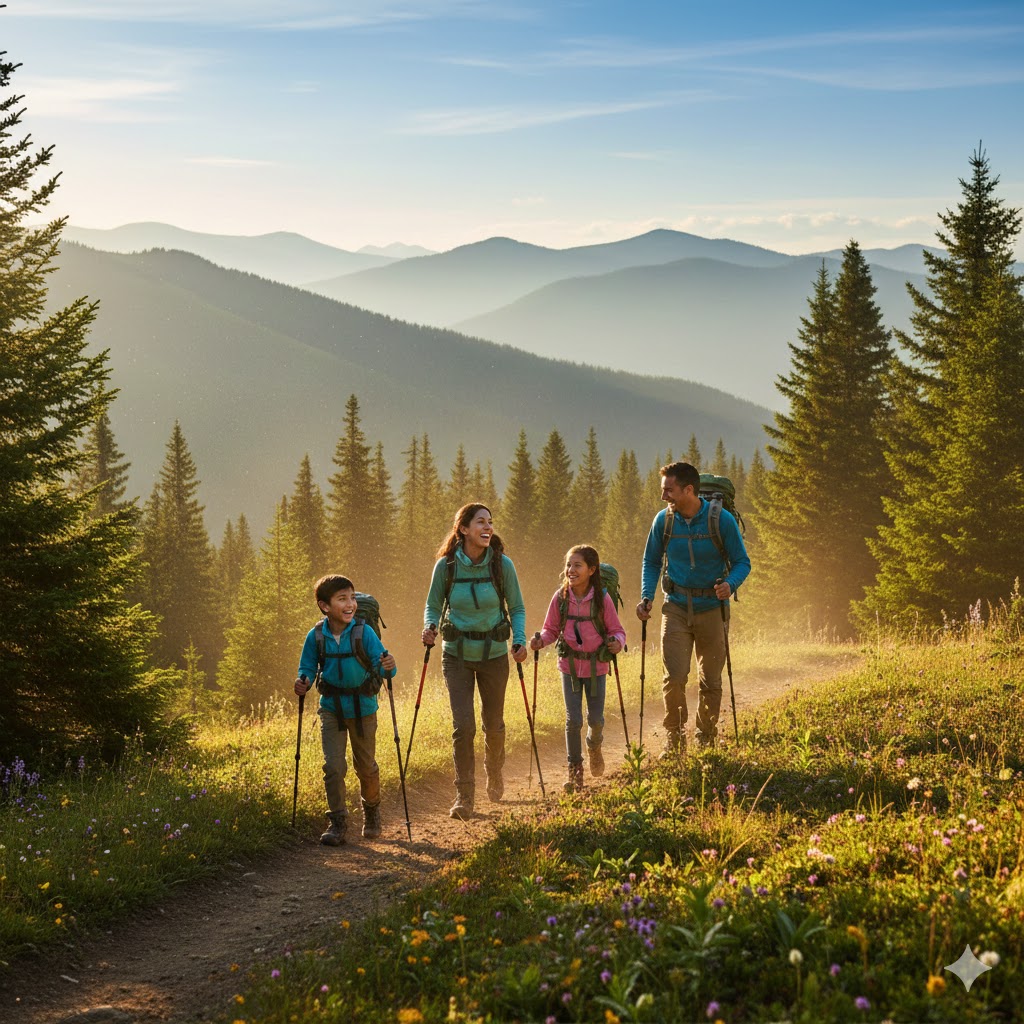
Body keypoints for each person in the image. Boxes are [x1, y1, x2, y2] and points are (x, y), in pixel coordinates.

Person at [422, 503, 528, 819]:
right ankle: (464, 795)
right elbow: (432, 606)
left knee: (493, 725)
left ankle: (493, 771)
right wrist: (429, 627)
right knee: (463, 726)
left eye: (490, 522)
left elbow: (517, 608)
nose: (488, 527)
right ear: (464, 528)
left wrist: (519, 640)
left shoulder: (501, 565)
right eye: (480, 522)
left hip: (495, 655)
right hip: (456, 656)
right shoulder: (446, 567)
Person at [637, 462, 750, 753]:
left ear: (689, 490)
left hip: (712, 607)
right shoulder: (663, 521)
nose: (664, 497)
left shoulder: (720, 520)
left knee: (710, 679)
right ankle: (674, 737)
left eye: (669, 491)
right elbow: (651, 561)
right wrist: (647, 596)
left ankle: (705, 735)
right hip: (674, 606)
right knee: (674, 677)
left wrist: (731, 584)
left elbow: (742, 562)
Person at [295, 574, 396, 846]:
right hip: (331, 710)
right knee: (333, 766)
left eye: (352, 597)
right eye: (342, 599)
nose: (350, 604)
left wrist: (389, 665)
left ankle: (372, 812)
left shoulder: (365, 632)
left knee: (366, 767)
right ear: (324, 606)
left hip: (363, 708)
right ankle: (337, 822)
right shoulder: (316, 636)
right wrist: (302, 681)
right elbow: (306, 667)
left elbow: (385, 665)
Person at [531, 545, 626, 793]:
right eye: (568, 565)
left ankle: (594, 746)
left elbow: (617, 630)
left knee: (595, 719)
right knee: (573, 720)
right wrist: (540, 640)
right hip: (570, 667)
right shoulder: (560, 598)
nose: (570, 570)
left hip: (597, 667)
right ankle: (575, 773)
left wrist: (617, 643)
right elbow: (551, 630)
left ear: (591, 570)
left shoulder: (602, 598)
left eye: (577, 565)